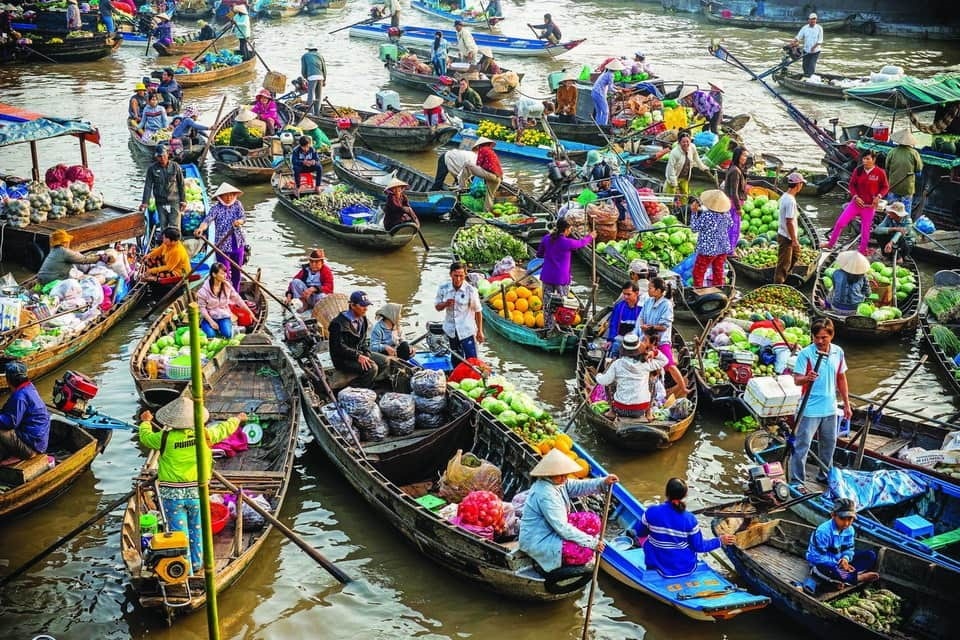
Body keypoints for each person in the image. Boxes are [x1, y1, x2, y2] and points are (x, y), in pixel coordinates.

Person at [139, 399, 245, 575]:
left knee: (179, 533)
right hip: (197, 492)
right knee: (197, 528)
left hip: (172, 496)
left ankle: (184, 569)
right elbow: (224, 429)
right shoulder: (204, 434)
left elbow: (146, 438)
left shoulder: (164, 437)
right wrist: (237, 419)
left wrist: (145, 422)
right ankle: (196, 564)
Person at [518, 449, 618, 574]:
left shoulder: (558, 482)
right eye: (561, 475)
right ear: (549, 474)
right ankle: (555, 562)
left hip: (552, 527)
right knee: (585, 553)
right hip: (539, 538)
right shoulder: (545, 494)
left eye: (565, 474)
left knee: (593, 520)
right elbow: (562, 528)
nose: (565, 478)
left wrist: (603, 482)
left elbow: (579, 486)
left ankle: (579, 542)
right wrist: (592, 543)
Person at [636, 478, 737, 578]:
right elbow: (699, 547)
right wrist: (720, 541)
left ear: (666, 492)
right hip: (686, 568)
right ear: (684, 496)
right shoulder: (689, 519)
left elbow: (640, 533)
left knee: (646, 540)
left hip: (657, 566)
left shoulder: (651, 512)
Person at [791, 318, 851, 484]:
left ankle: (824, 476)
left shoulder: (838, 352)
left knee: (829, 445)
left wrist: (846, 404)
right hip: (809, 409)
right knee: (802, 446)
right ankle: (797, 481)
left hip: (830, 408)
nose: (819, 341)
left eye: (823, 337)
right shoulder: (806, 354)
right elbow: (797, 380)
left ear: (831, 336)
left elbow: (841, 378)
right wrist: (807, 378)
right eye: (816, 337)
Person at [823, 150, 888, 256]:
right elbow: (852, 185)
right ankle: (830, 244)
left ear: (874, 160)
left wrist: (879, 196)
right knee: (840, 223)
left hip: (869, 206)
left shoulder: (880, 173)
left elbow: (885, 187)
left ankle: (862, 250)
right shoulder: (858, 170)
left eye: (868, 159)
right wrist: (856, 196)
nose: (865, 161)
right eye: (864, 159)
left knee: (865, 230)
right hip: (856, 204)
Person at [805, 499, 879, 591]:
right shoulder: (823, 532)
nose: (846, 523)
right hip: (823, 564)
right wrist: (838, 565)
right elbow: (816, 557)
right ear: (833, 515)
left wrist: (845, 559)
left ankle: (844, 578)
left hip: (840, 563)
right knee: (828, 569)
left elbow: (849, 549)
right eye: (842, 519)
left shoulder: (850, 530)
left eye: (850, 519)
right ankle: (857, 578)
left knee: (870, 556)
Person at [537, 218, 594, 332]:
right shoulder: (567, 242)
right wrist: (591, 236)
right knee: (563, 303)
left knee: (548, 303)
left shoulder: (547, 239)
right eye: (570, 229)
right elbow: (581, 243)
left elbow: (539, 254)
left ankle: (548, 327)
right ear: (566, 230)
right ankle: (562, 326)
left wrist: (550, 255)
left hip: (548, 276)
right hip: (561, 278)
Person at [595, 333, 667, 419]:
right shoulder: (646, 363)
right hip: (641, 409)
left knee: (609, 383)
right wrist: (654, 352)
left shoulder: (617, 364)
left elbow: (604, 381)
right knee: (653, 381)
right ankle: (649, 413)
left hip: (620, 409)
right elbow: (665, 360)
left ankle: (612, 412)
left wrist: (598, 376)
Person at [329, 291, 390, 387]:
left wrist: (366, 353)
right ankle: (356, 388)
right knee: (372, 368)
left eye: (367, 305)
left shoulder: (363, 319)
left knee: (385, 361)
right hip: (343, 359)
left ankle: (369, 381)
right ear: (352, 305)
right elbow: (338, 348)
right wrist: (358, 356)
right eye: (362, 306)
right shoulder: (337, 324)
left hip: (358, 353)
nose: (365, 309)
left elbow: (363, 341)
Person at [638, 277, 687, 396]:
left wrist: (651, 327)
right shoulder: (649, 301)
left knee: (669, 364)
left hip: (661, 339)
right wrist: (643, 326)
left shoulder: (666, 304)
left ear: (659, 290)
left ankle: (683, 388)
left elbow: (664, 326)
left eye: (650, 288)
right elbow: (642, 317)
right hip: (647, 338)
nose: (648, 290)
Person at [194, 182, 247, 289]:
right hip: (222, 246)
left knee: (237, 271)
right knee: (223, 274)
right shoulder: (216, 208)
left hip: (237, 243)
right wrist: (200, 229)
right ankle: (225, 295)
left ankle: (235, 293)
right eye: (226, 195)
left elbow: (243, 218)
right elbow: (207, 221)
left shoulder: (237, 204)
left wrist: (239, 222)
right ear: (220, 196)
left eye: (231, 194)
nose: (229, 197)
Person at [0, 361, 50, 462]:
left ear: (8, 380)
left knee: (2, 431)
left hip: (33, 445)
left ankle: (26, 454)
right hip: (37, 440)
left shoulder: (20, 397)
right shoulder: (29, 387)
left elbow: (9, 423)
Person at [435, 262, 483, 359]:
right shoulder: (443, 288)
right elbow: (437, 307)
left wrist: (480, 331)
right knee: (456, 358)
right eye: (455, 276)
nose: (458, 279)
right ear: (450, 274)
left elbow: (478, 311)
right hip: (451, 330)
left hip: (467, 331)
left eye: (461, 276)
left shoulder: (471, 290)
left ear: (465, 274)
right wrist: (445, 304)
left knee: (472, 360)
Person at [690, 190, 733, 288]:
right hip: (722, 247)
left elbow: (694, 228)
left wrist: (693, 213)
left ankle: (699, 291)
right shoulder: (726, 214)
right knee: (718, 271)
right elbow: (730, 224)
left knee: (698, 272)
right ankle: (718, 289)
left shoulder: (707, 215)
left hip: (708, 249)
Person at [196, 263, 251, 338]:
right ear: (214, 274)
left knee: (227, 334)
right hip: (208, 317)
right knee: (211, 336)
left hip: (223, 315)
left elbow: (238, 299)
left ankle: (231, 328)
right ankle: (208, 328)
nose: (225, 275)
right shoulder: (203, 291)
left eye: (225, 272)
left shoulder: (227, 286)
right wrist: (211, 322)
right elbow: (202, 308)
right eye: (222, 273)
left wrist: (249, 312)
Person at [140, 145, 186, 232]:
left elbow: (181, 184)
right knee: (163, 226)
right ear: (156, 157)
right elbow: (148, 186)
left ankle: (176, 244)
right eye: (159, 156)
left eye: (164, 155)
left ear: (168, 154)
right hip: (160, 202)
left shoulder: (175, 167)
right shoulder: (152, 169)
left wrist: (183, 200)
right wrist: (145, 202)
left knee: (175, 227)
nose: (162, 158)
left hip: (174, 201)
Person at [36, 229, 103, 284]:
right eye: (67, 241)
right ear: (64, 242)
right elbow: (84, 260)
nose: (69, 243)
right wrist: (100, 257)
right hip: (52, 281)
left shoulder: (54, 250)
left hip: (41, 278)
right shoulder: (64, 252)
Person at [775, 172, 806, 284]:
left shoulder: (785, 196)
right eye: (801, 184)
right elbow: (789, 222)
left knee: (795, 255)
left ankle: (786, 278)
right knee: (783, 264)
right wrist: (794, 240)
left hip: (785, 234)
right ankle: (778, 284)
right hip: (786, 236)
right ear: (798, 185)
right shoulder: (790, 201)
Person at [885, 129, 924, 215]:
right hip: (907, 188)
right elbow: (918, 171)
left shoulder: (892, 152)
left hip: (893, 185)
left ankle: (890, 224)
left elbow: (887, 168)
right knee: (906, 212)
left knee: (891, 210)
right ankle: (905, 226)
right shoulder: (914, 153)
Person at [664, 131, 711, 196]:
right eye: (683, 142)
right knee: (671, 195)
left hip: (685, 177)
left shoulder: (692, 147)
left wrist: (703, 167)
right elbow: (670, 168)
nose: (686, 144)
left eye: (687, 142)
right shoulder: (674, 153)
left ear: (690, 141)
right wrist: (674, 182)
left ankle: (684, 205)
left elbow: (696, 158)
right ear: (679, 142)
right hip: (675, 176)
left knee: (685, 195)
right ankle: (669, 205)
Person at [606, 281, 644, 355]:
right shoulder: (619, 306)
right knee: (615, 347)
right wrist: (610, 340)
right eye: (624, 294)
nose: (625, 297)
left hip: (637, 340)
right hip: (620, 338)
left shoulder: (642, 307)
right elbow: (614, 324)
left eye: (628, 294)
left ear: (636, 293)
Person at [723, 146, 749, 251]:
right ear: (738, 156)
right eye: (743, 155)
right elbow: (734, 192)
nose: (745, 158)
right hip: (733, 204)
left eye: (746, 156)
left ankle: (729, 248)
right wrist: (738, 208)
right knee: (734, 229)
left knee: (732, 227)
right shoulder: (735, 171)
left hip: (732, 203)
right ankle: (730, 250)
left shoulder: (736, 169)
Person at [473, 137, 502, 212]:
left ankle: (461, 185)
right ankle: (488, 212)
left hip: (491, 175)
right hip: (498, 178)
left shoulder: (482, 149)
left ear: (480, 145)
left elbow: (478, 163)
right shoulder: (491, 151)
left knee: (467, 165)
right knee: (490, 196)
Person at [591, 58, 623, 127]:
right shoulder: (611, 75)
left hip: (594, 92)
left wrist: (617, 88)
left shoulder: (605, 73)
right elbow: (611, 88)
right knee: (606, 111)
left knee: (599, 111)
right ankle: (603, 127)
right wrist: (618, 91)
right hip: (599, 93)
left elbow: (611, 85)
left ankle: (597, 126)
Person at [792, 13, 824, 77]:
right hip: (806, 50)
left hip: (815, 51)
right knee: (805, 66)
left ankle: (810, 78)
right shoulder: (805, 28)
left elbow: (820, 41)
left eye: (814, 19)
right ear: (808, 20)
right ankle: (806, 76)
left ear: (816, 20)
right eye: (811, 19)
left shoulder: (819, 28)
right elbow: (798, 37)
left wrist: (813, 47)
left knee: (811, 66)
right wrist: (792, 43)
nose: (813, 21)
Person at [301, 43, 327, 117]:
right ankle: (317, 113)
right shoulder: (320, 56)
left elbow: (304, 69)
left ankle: (310, 113)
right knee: (318, 96)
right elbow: (324, 69)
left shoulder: (305, 56)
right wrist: (324, 79)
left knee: (311, 95)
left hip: (312, 77)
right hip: (321, 76)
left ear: (308, 49)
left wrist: (306, 77)